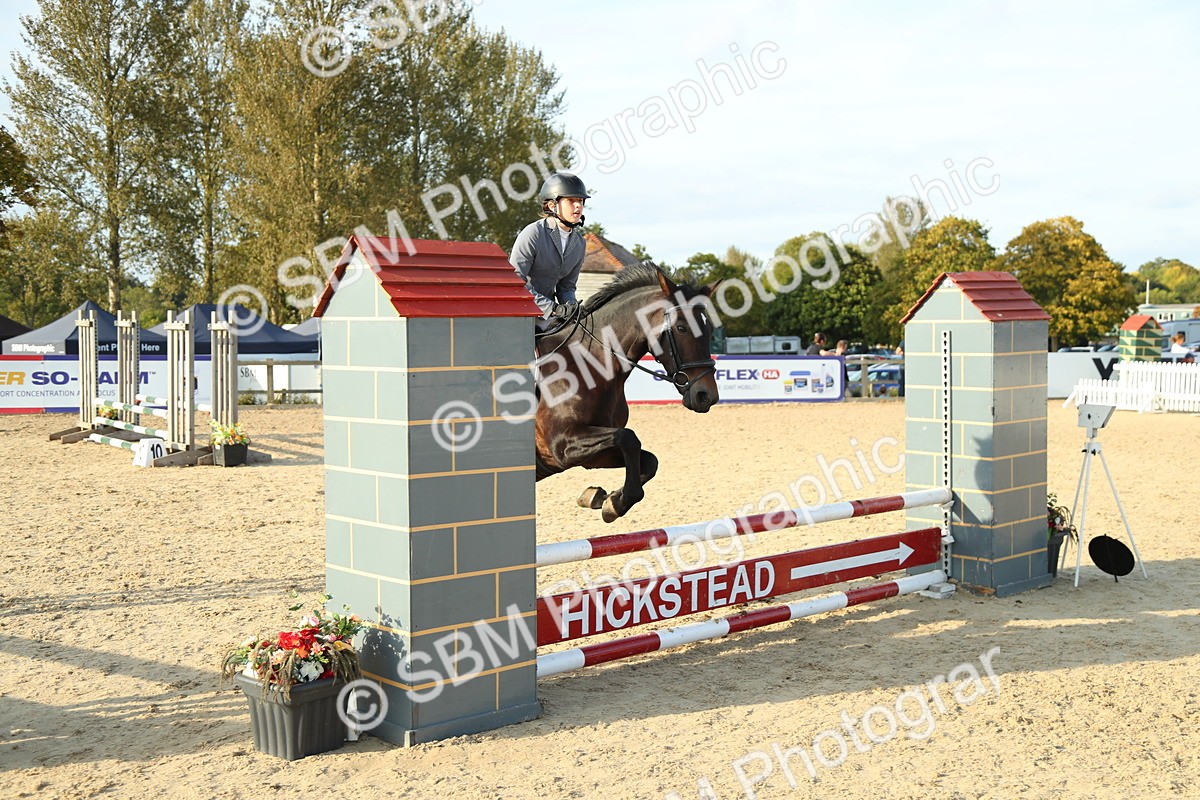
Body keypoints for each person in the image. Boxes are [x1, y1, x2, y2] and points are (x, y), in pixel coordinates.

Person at [510, 172, 588, 331]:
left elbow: (566, 287)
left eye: (580, 201)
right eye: (571, 201)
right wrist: (553, 308)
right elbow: (516, 282)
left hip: (550, 316)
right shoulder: (533, 233)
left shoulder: (579, 243)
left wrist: (572, 308)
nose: (578, 206)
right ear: (553, 205)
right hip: (521, 311)